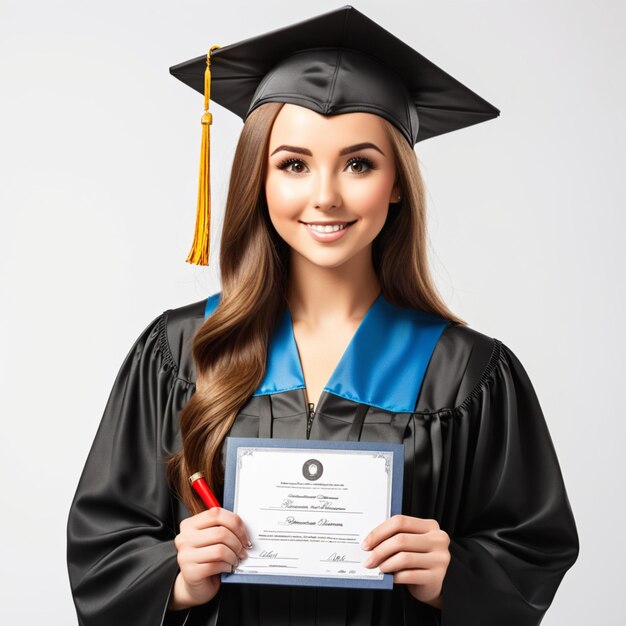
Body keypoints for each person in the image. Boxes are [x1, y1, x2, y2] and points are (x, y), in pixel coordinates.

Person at [66, 6, 579, 626]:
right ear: (259, 177)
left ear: (396, 182)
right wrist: (176, 579)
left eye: (359, 163)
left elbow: (530, 548)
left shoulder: (465, 373)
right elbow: (102, 544)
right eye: (293, 164)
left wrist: (453, 577)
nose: (326, 195)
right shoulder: (181, 351)